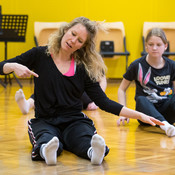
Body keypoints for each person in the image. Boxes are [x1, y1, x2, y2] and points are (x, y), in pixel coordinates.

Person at [0, 17, 163, 166]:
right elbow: (2, 66)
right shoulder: (39, 54)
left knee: (84, 136)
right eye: (73, 34)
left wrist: (138, 115)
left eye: (79, 40)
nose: (73, 41)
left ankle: (93, 153)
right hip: (45, 120)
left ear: (83, 46)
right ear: (65, 30)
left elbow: (103, 102)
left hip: (73, 120)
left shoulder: (83, 68)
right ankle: (47, 151)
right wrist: (13, 66)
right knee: (46, 137)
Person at [117, 28, 175, 137]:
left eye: (159, 44)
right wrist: (123, 113)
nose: (154, 48)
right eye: (151, 44)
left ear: (165, 46)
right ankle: (165, 126)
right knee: (140, 99)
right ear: (146, 46)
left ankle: (166, 124)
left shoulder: (172, 65)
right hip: (146, 115)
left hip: (167, 111)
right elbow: (121, 89)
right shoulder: (136, 65)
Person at [15, 75, 107, 114]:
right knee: (45, 90)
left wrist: (97, 101)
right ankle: (27, 105)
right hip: (63, 91)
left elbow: (102, 79)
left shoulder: (90, 58)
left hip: (82, 94)